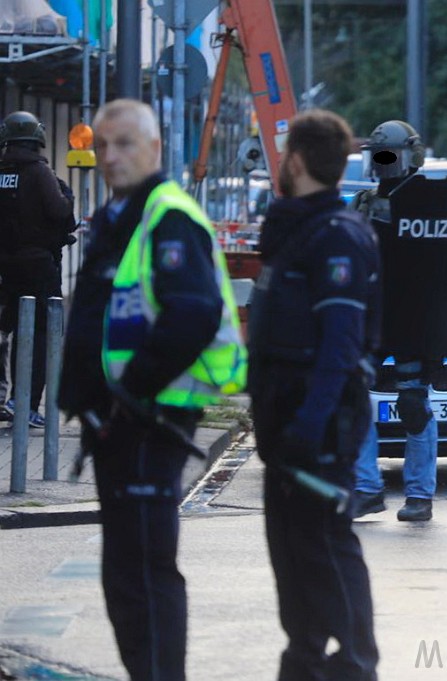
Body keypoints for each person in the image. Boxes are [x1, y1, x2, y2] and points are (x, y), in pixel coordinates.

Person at [58, 99, 246, 680]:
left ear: (155, 150)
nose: (109, 156)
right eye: (102, 145)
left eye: (124, 144)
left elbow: (193, 312)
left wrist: (129, 391)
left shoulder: (167, 215)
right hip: (122, 422)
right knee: (125, 575)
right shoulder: (123, 216)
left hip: (151, 418)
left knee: (143, 570)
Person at [248, 109, 380, 680]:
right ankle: (303, 660)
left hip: (319, 424)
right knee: (292, 553)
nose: (280, 165)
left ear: (296, 161)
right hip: (287, 421)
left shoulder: (337, 238)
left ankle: (354, 665)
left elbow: (341, 346)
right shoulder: (294, 232)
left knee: (326, 545)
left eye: (283, 157)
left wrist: (310, 423)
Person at [350, 119, 447, 522]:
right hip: (374, 318)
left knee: (413, 403)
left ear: (412, 157)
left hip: (417, 320)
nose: (385, 166)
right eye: (379, 158)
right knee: (352, 399)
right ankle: (366, 488)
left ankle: (420, 495)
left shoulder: (436, 201)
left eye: (391, 157)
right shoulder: (362, 203)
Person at [0, 110, 77, 427]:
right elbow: (59, 212)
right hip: (39, 266)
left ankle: (7, 398)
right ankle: (26, 403)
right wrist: (66, 195)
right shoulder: (38, 172)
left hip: (6, 266)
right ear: (37, 138)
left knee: (10, 332)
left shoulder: (3, 170)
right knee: (42, 333)